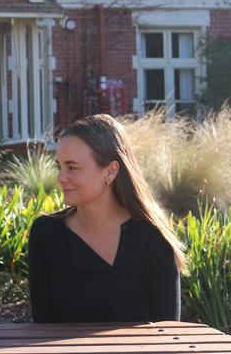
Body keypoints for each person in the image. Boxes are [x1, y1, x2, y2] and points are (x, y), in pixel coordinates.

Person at [28, 114, 185, 323]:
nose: (61, 177)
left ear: (110, 171)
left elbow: (166, 331)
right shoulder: (45, 233)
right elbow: (42, 325)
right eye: (60, 166)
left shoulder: (152, 237)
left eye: (72, 167)